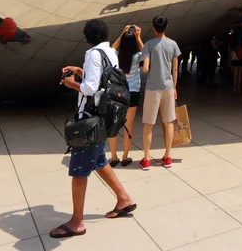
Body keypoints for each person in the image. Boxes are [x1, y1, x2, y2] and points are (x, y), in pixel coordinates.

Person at [50, 19, 135, 238]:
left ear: (87, 38)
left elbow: (90, 88)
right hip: (105, 118)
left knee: (79, 172)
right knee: (99, 162)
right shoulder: (109, 52)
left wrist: (71, 83)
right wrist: (80, 70)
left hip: (91, 121)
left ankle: (76, 222)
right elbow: (104, 79)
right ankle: (124, 198)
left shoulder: (93, 54)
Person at [140, 15, 181, 170]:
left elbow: (145, 68)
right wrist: (174, 87)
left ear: (153, 27)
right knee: (168, 121)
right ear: (166, 27)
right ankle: (168, 156)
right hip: (168, 86)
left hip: (152, 88)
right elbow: (175, 69)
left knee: (148, 124)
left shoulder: (149, 45)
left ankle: (146, 159)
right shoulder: (173, 45)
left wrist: (147, 68)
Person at [108, 25, 143, 167]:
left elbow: (112, 48)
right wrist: (138, 36)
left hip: (118, 92)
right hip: (132, 93)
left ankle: (114, 157)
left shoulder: (116, 56)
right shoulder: (136, 57)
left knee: (114, 125)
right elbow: (145, 51)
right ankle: (125, 156)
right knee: (129, 126)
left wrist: (122, 33)